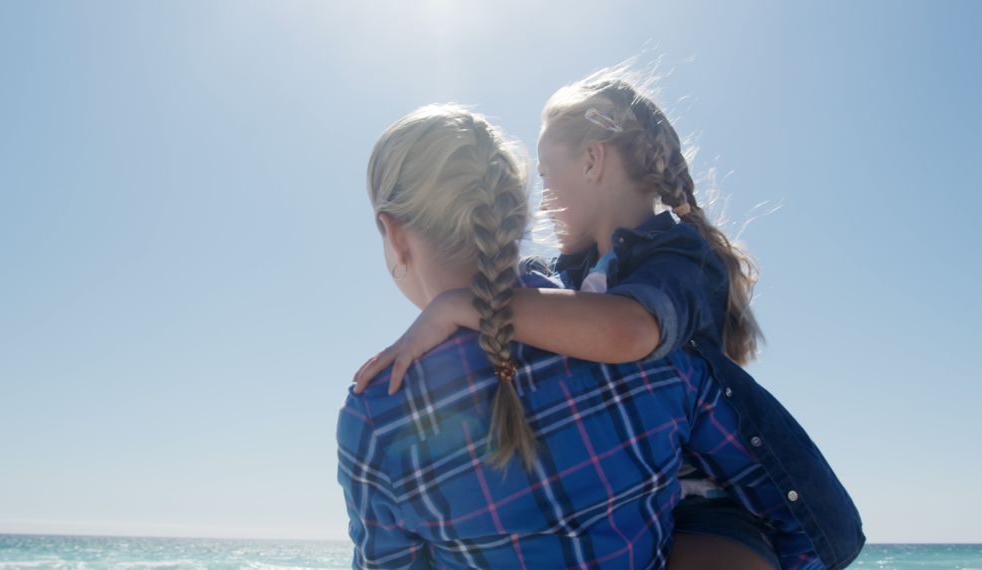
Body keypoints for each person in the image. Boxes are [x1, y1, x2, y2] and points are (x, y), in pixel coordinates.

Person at [353, 68, 864, 570]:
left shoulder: (673, 258)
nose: (543, 206)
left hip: (710, 501)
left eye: (547, 177)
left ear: (593, 161)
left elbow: (629, 330)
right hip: (670, 498)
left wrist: (465, 305)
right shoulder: (570, 284)